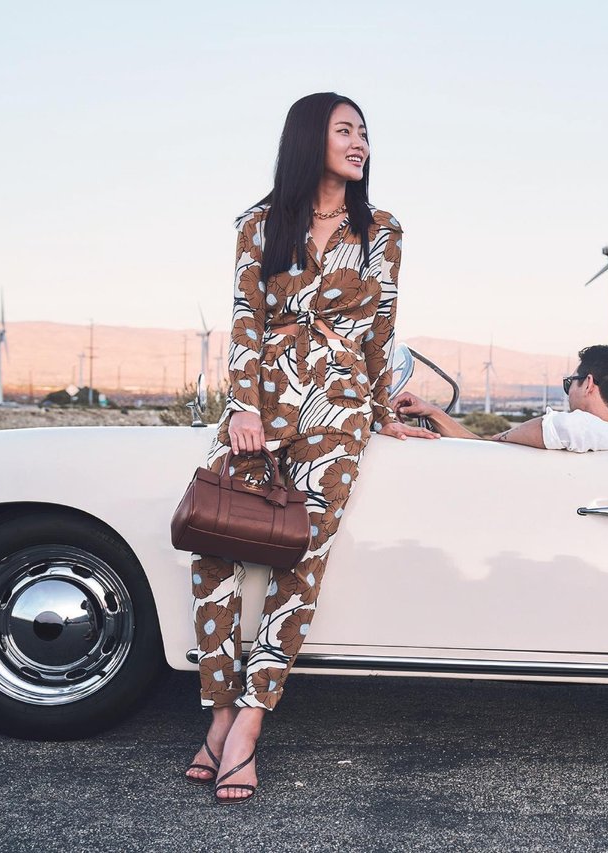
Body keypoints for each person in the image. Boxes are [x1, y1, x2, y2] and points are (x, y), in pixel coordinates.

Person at [183, 92, 437, 804]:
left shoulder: (382, 230)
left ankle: (250, 724)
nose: (360, 143)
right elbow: (244, 317)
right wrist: (241, 405)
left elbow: (383, 327)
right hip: (259, 404)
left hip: (340, 411)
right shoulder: (260, 224)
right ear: (309, 140)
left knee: (303, 557)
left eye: (364, 133)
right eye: (345, 130)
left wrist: (383, 408)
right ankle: (219, 708)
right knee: (212, 548)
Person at [391, 345, 608, 452]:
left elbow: (487, 447)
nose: (568, 391)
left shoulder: (572, 428)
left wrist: (432, 413)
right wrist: (433, 413)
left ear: (588, 384)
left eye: (569, 383)